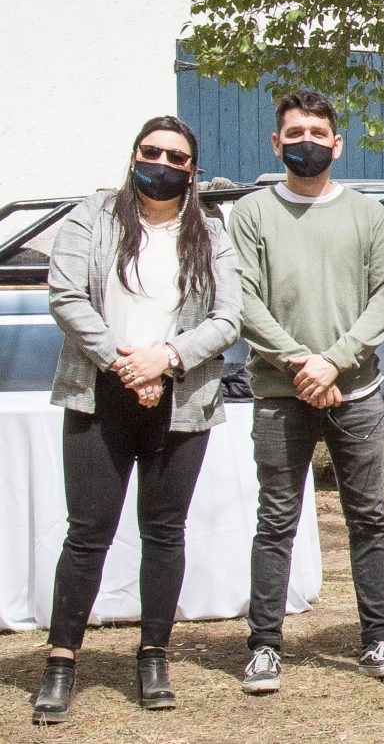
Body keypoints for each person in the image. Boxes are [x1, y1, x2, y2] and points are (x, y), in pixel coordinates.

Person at [34, 116, 242, 725]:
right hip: (99, 394)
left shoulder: (211, 231)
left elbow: (228, 317)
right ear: (133, 157)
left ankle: (154, 655)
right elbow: (65, 296)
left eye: (176, 157)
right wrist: (127, 364)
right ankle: (61, 661)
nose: (162, 163)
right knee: (87, 533)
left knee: (165, 531)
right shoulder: (91, 217)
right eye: (152, 152)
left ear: (192, 170)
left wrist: (166, 359)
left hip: (180, 398)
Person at [231, 90, 384, 694]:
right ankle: (263, 646)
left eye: (317, 133)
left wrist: (333, 363)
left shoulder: (368, 215)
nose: (305, 142)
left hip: (357, 392)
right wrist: (301, 363)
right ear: (276, 143)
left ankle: (378, 638)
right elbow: (244, 300)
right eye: (294, 133)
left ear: (337, 144)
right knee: (276, 520)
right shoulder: (251, 213)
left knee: (369, 518)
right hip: (280, 393)